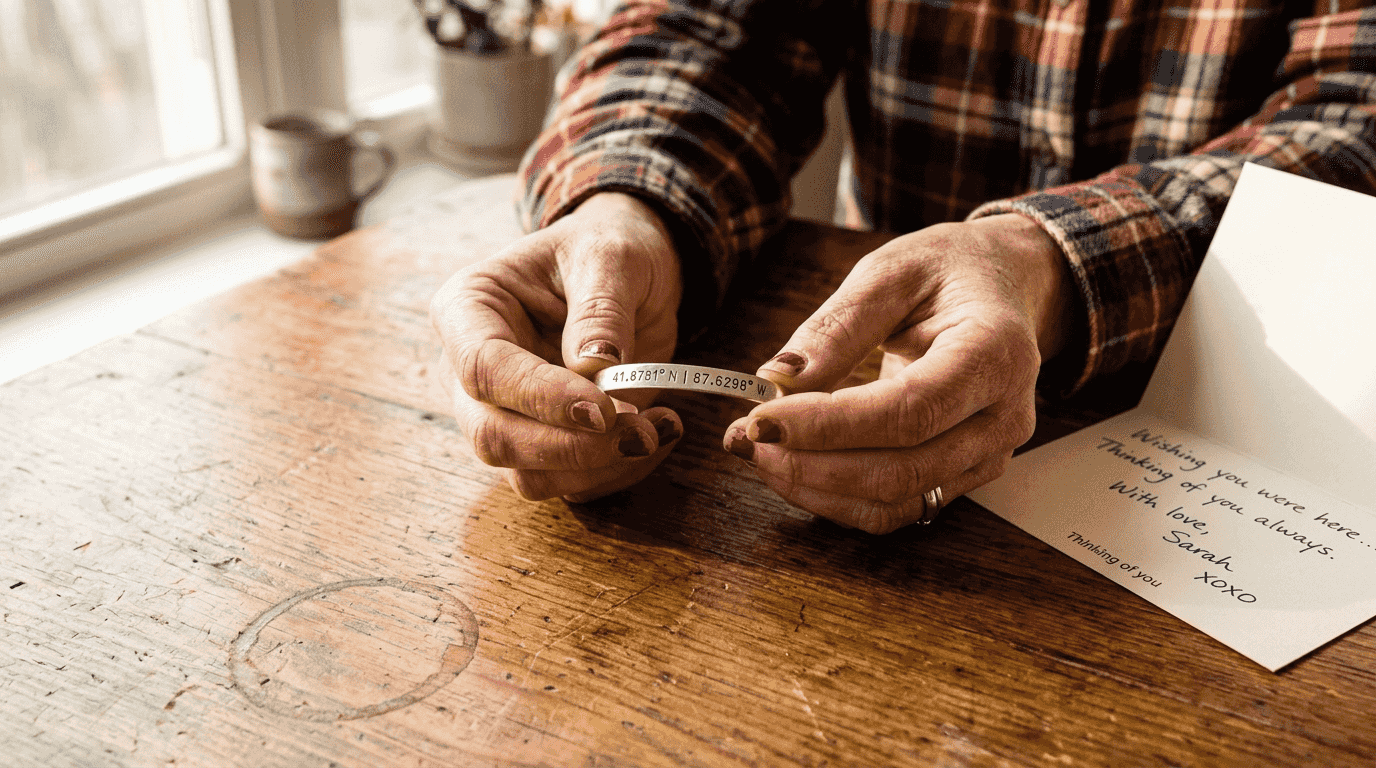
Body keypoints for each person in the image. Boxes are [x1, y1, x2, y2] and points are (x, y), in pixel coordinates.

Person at [430, 0, 1376, 533]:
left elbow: (1355, 117)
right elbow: (705, 29)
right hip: (856, 389)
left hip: (1256, 449)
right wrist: (629, 204)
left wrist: (1047, 259)